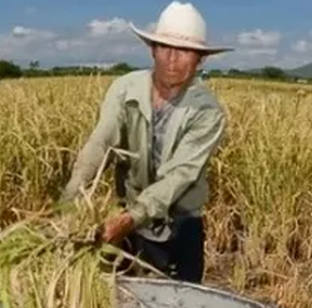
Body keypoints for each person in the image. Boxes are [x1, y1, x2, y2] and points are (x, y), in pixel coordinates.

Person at [61, 1, 232, 284]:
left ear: (200, 59)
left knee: (178, 300)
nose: (172, 59)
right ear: (152, 49)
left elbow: (178, 177)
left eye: (184, 51)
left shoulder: (207, 112)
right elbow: (102, 142)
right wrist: (71, 198)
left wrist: (129, 219)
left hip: (178, 224)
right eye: (164, 47)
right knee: (124, 296)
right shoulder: (125, 88)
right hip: (128, 216)